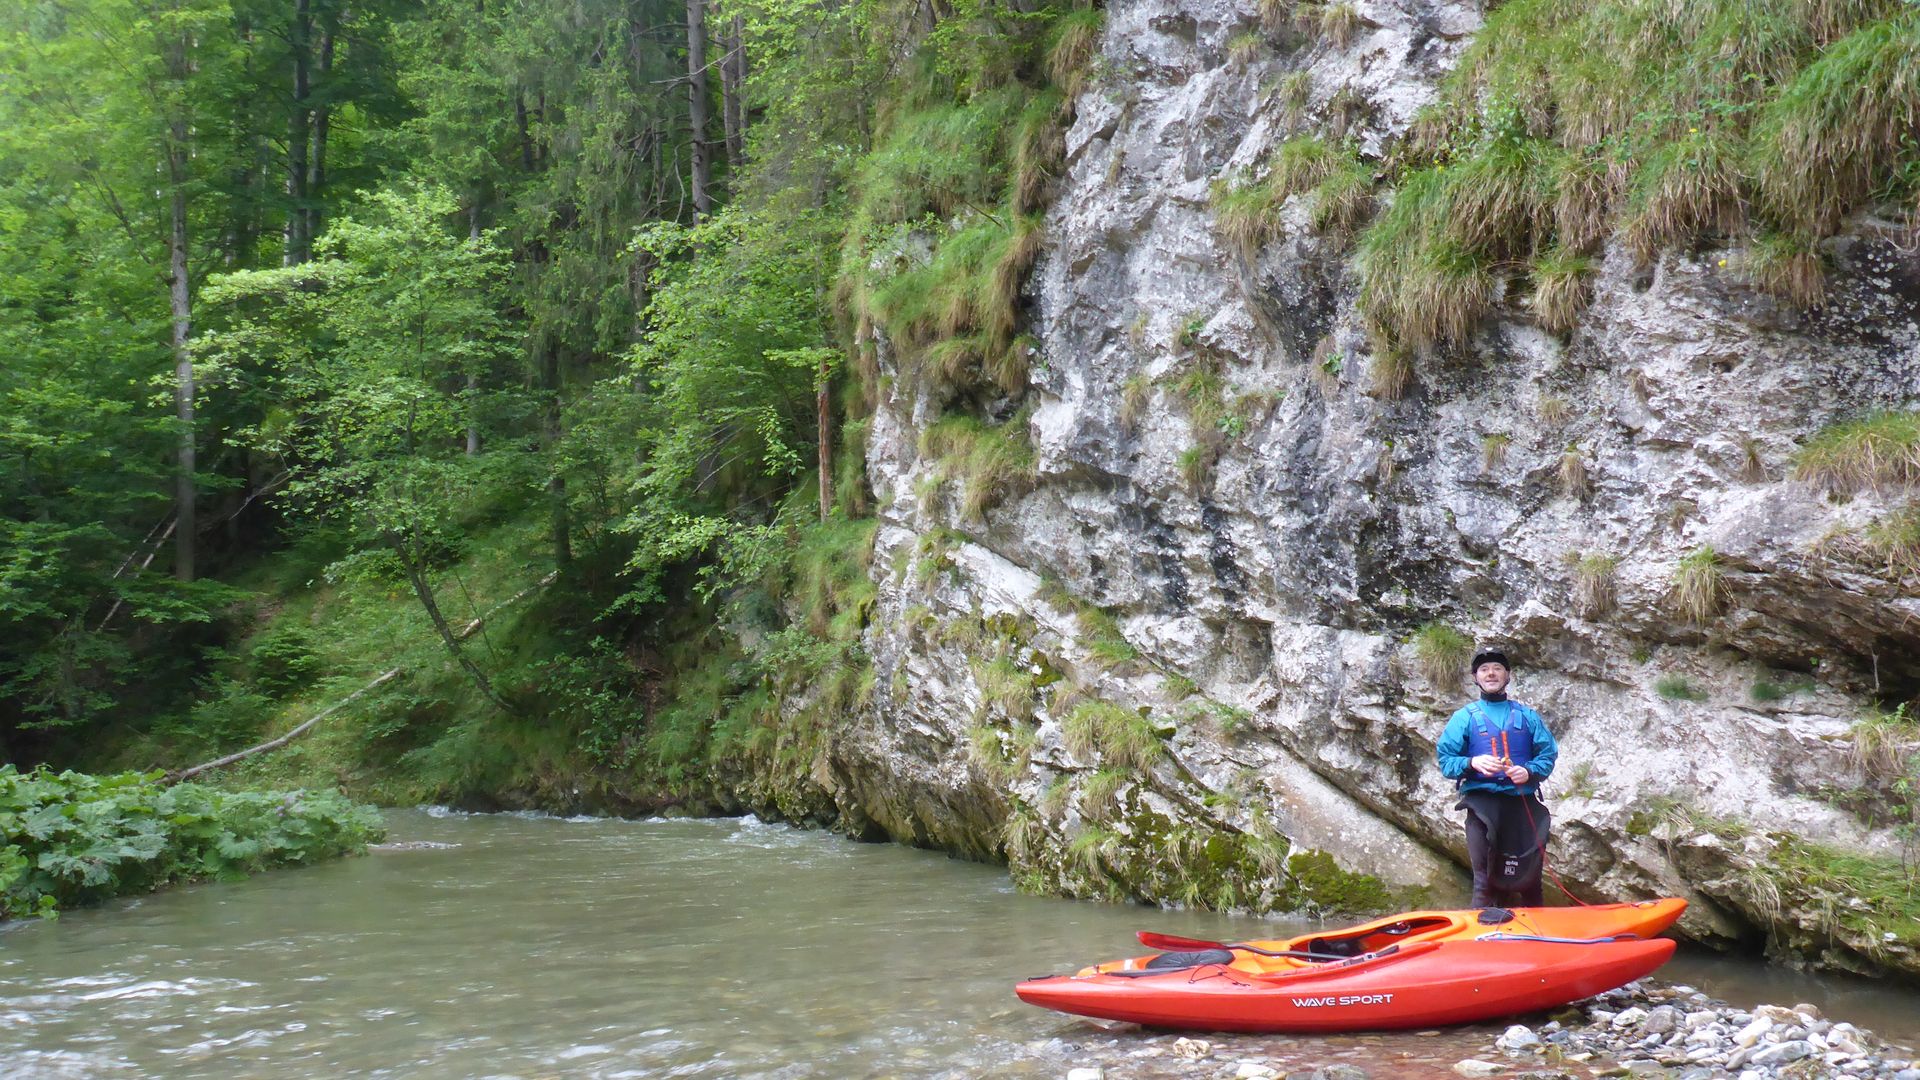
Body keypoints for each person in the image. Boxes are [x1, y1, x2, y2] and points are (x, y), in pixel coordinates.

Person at [1434, 648, 1558, 909]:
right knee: (1485, 881)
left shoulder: (1527, 716)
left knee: (1531, 879)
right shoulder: (1464, 718)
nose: (1491, 673)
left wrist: (1529, 771)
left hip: (1521, 804)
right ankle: (1481, 937)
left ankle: (1542, 937)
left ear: (1508, 675)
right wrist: (1472, 762)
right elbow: (1446, 760)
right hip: (1483, 805)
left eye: (1497, 668)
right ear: (1475, 678)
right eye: (1484, 669)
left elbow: (1547, 755)